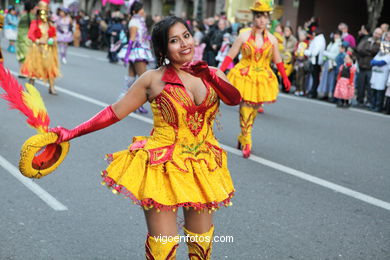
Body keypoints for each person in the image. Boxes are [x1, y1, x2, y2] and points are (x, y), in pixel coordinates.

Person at [50, 16, 241, 259]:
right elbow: (114, 112)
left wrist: (211, 76)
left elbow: (235, 99)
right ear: (163, 49)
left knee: (202, 247)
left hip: (202, 165)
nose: (184, 44)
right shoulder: (152, 79)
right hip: (163, 165)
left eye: (186, 36)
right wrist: (72, 133)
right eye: (174, 40)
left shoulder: (211, 72)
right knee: (163, 249)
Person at [219, 0, 291, 158]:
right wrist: (218, 73)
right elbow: (230, 55)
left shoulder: (272, 39)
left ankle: (242, 135)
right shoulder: (243, 36)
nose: (261, 20)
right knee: (245, 106)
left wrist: (284, 77)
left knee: (254, 109)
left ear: (268, 19)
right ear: (254, 18)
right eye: (258, 16)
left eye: (264, 17)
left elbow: (277, 60)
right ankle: (247, 139)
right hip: (245, 75)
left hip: (263, 77)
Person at [20, 0, 60, 95]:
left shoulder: (50, 24)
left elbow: (54, 35)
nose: (44, 15)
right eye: (42, 12)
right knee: (33, 68)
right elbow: (30, 35)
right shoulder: (35, 23)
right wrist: (38, 41)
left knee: (51, 68)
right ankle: (31, 87)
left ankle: (52, 87)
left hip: (48, 49)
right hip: (37, 49)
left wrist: (52, 40)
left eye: (46, 13)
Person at [120, 1, 154, 113]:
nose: (143, 11)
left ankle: (124, 101)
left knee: (132, 77)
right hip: (137, 51)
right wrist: (127, 54)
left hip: (140, 50)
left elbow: (142, 36)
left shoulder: (140, 21)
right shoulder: (134, 22)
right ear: (135, 11)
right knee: (143, 80)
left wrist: (149, 38)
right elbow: (132, 38)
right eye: (141, 9)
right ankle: (136, 103)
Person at [356, 27, 382, 107]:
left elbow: (378, 52)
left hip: (372, 68)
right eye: (376, 33)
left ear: (381, 35)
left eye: (379, 34)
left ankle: (369, 102)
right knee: (360, 85)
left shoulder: (382, 43)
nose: (376, 35)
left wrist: (368, 51)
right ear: (373, 33)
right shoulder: (366, 39)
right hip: (362, 66)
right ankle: (359, 101)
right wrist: (370, 52)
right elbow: (359, 49)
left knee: (370, 87)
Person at [369, 32, 390, 112]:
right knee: (374, 90)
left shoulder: (388, 54)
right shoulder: (380, 53)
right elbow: (373, 60)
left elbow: (382, 62)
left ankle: (378, 106)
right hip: (375, 74)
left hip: (382, 75)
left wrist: (375, 62)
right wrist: (375, 62)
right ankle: (373, 105)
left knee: (379, 92)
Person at [16, 1, 36, 74]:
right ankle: (26, 72)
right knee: (28, 56)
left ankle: (21, 71)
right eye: (34, 8)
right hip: (27, 39)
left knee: (21, 56)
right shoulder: (32, 17)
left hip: (19, 38)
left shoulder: (22, 15)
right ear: (31, 9)